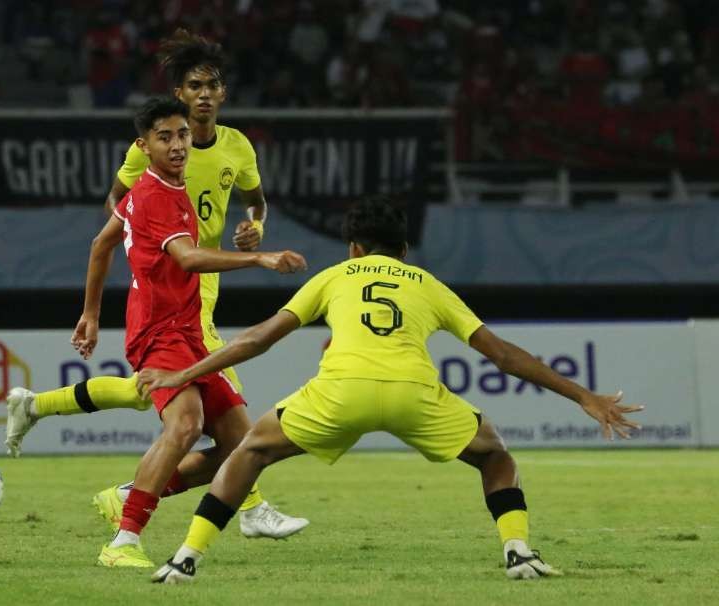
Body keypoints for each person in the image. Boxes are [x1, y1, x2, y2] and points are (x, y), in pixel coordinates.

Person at [138, 197, 645, 583]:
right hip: (412, 394)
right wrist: (584, 396)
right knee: (495, 456)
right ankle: (518, 553)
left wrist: (184, 374)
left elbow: (258, 339)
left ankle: (185, 559)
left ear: (353, 248)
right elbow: (503, 355)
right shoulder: (425, 282)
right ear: (403, 251)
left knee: (247, 453)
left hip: (341, 393)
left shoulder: (335, 276)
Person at [4, 29, 309, 541]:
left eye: (213, 85)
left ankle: (38, 407)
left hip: (206, 280)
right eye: (195, 86)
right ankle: (250, 507)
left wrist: (256, 226)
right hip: (175, 279)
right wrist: (148, 244)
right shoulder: (153, 155)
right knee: (219, 416)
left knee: (155, 393)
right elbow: (116, 216)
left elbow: (256, 202)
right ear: (180, 96)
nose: (205, 95)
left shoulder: (237, 147)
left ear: (223, 95)